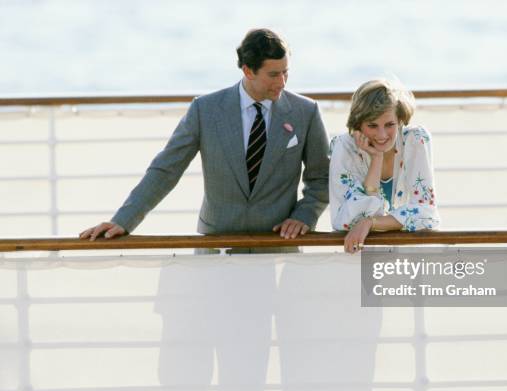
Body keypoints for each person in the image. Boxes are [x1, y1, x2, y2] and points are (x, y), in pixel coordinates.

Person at [79, 28, 329, 243]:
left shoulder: (305, 112)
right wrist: (123, 221)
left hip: (278, 246)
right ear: (248, 70)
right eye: (274, 74)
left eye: (286, 72)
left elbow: (321, 178)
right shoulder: (205, 110)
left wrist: (303, 217)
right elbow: (166, 170)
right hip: (215, 245)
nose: (283, 82)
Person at [329, 79, 440, 253]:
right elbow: (347, 220)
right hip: (358, 256)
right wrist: (377, 158)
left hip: (410, 255)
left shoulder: (416, 139)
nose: (382, 135)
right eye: (372, 125)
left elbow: (427, 214)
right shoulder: (344, 147)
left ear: (400, 120)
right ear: (358, 125)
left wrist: (370, 223)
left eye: (389, 125)